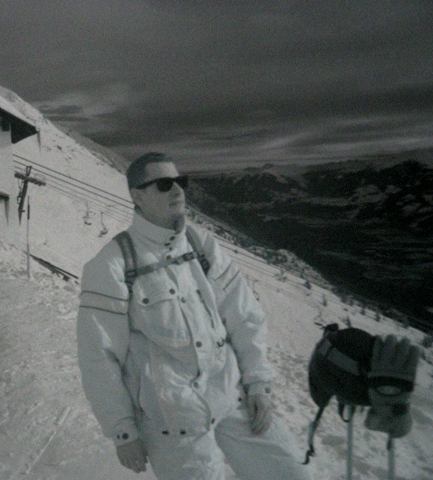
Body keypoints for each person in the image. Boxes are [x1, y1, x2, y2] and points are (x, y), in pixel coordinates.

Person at [77, 152, 314, 479]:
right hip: (173, 420)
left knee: (291, 473)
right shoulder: (112, 264)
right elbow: (98, 355)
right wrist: (122, 431)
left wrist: (258, 383)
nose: (177, 190)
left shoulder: (200, 245)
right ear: (137, 196)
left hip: (230, 395)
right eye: (164, 184)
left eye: (180, 181)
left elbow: (243, 315)